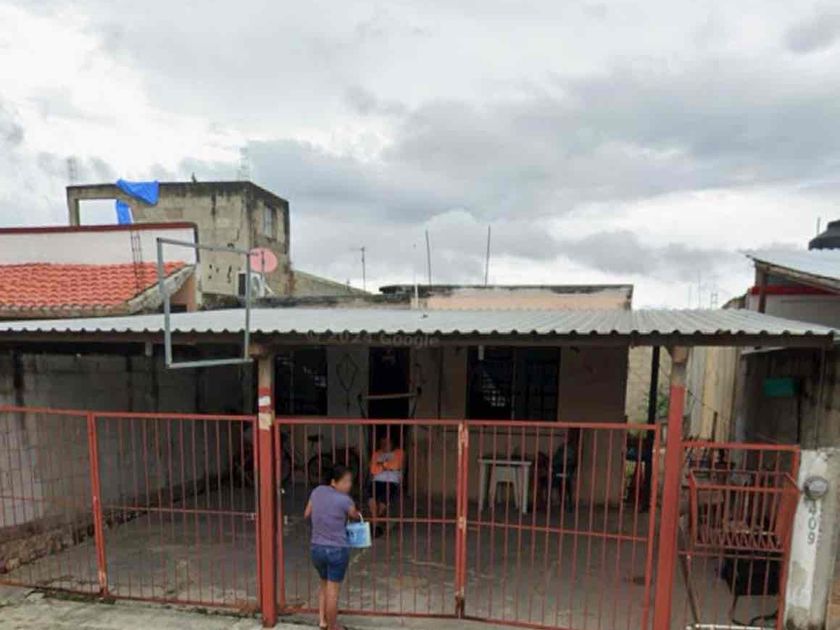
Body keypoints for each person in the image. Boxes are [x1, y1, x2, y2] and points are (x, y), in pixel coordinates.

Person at [304, 465, 361, 630]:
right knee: (333, 590)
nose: (349, 485)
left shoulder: (317, 492)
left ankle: (322, 621)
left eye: (350, 481)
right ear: (333, 482)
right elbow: (354, 515)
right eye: (345, 481)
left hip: (317, 548)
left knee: (324, 584)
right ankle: (332, 626)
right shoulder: (345, 500)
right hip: (337, 549)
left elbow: (307, 514)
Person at [368, 432, 404, 537]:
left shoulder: (399, 452)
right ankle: (376, 525)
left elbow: (396, 465)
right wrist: (387, 466)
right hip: (376, 481)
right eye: (382, 443)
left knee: (383, 502)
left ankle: (376, 523)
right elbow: (373, 470)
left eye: (387, 442)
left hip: (392, 482)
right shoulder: (376, 454)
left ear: (392, 443)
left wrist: (380, 465)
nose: (384, 445)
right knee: (372, 500)